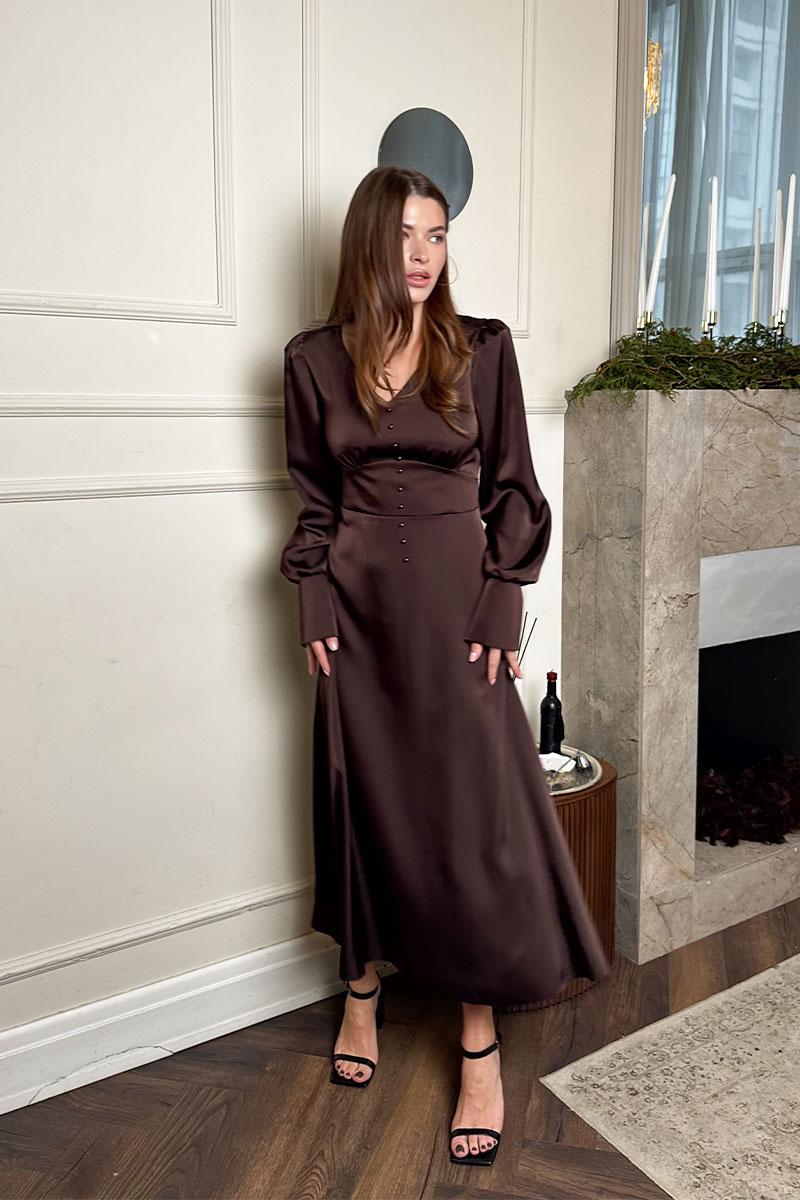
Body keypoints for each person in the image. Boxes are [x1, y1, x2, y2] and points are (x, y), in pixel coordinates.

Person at [279, 165, 611, 1166]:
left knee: (470, 813)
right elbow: (313, 500)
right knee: (359, 795)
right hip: (355, 613)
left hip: (460, 610)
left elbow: (514, 487)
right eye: (404, 236)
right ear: (367, 245)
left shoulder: (482, 349)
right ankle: (361, 989)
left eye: (436, 236)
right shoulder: (311, 360)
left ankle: (477, 1040)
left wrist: (504, 594)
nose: (422, 256)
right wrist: (311, 593)